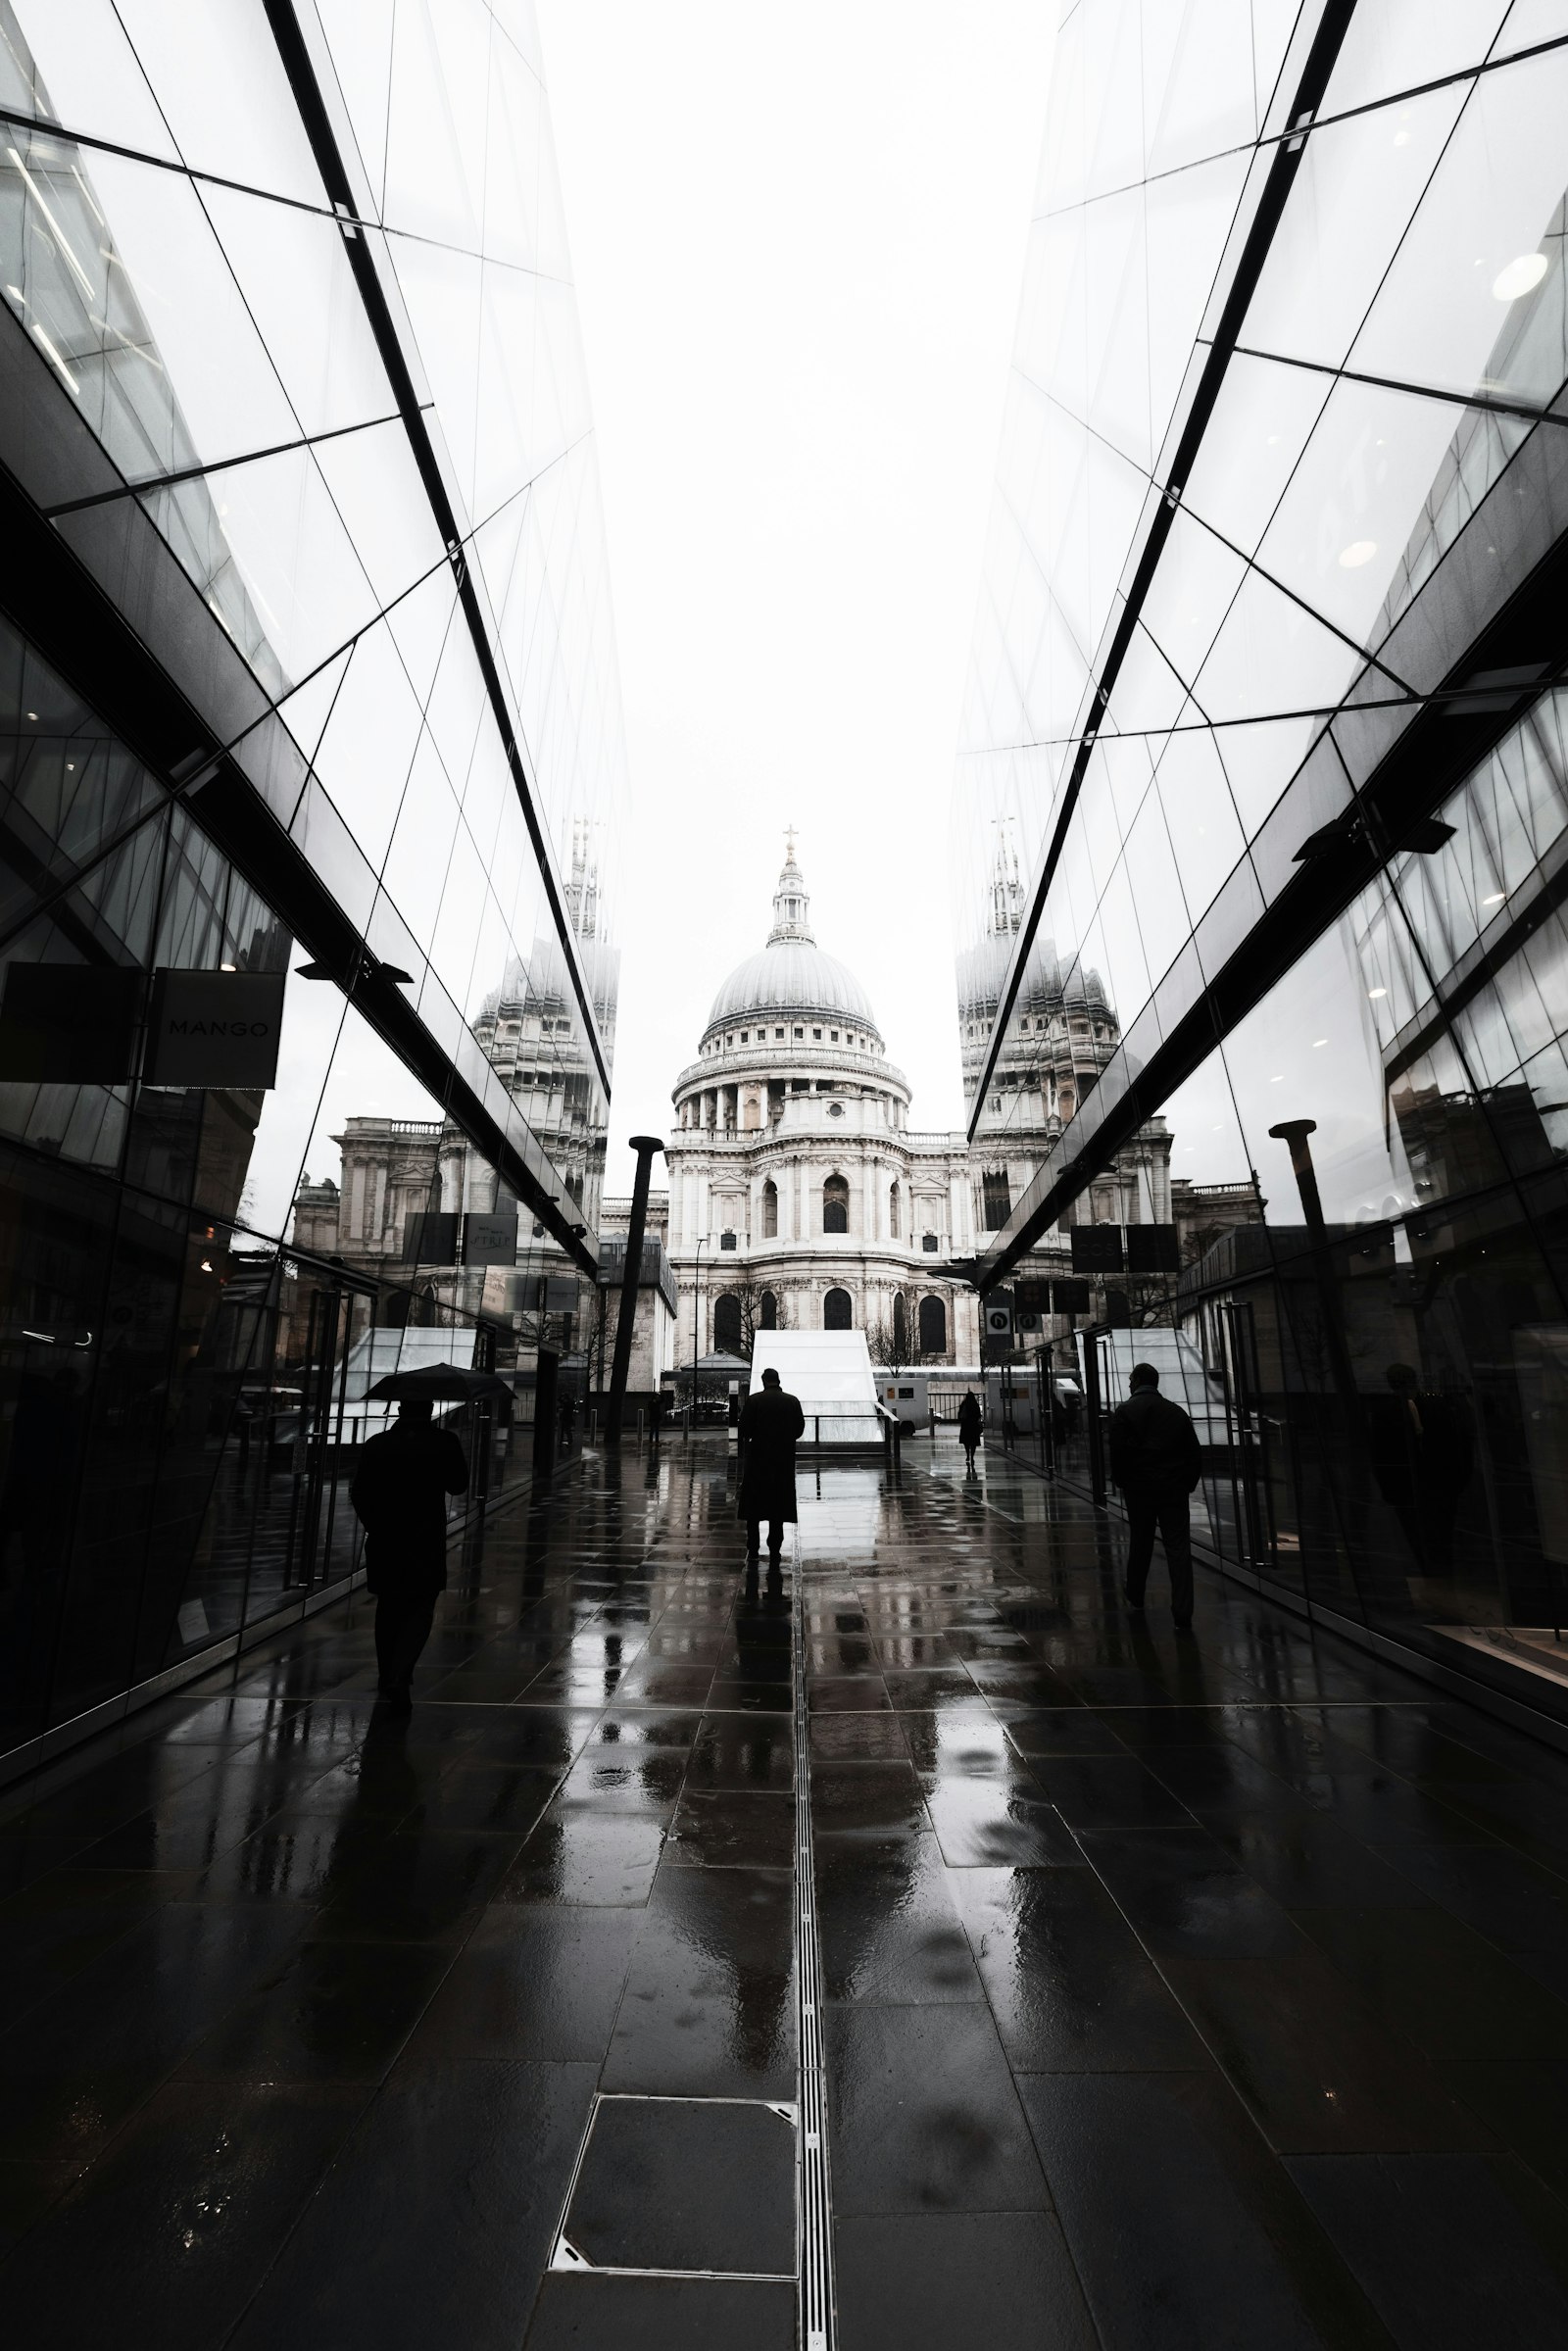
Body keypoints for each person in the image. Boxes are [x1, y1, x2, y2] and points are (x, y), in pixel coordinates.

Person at [350, 1399, 469, 1711]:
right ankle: (400, 1675)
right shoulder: (443, 1442)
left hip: (385, 1537)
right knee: (420, 1605)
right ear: (429, 1411)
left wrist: (375, 1524)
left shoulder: (378, 1443)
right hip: (425, 1537)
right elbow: (459, 1485)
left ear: (401, 1409)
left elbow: (359, 1491)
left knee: (388, 1606)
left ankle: (387, 1671)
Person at [1108, 1361, 1202, 1630]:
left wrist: (1123, 1481)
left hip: (1140, 1490)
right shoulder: (1175, 1412)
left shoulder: (1125, 1411)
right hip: (1173, 1489)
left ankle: (1136, 1594)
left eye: (1130, 1379)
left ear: (1138, 1381)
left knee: (1141, 1541)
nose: (1128, 1384)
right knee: (1178, 1548)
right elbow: (1193, 1453)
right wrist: (1187, 1483)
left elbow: (1118, 1452)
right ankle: (1183, 1611)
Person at [738, 1365, 805, 1567]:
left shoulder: (754, 1401)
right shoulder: (792, 1401)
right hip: (782, 1462)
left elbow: (744, 1430)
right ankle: (775, 1547)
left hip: (758, 1461)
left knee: (754, 1508)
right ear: (778, 1380)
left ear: (764, 1381)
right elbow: (799, 1429)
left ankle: (754, 1547)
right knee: (778, 1506)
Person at [957, 1389, 983, 1474]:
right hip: (973, 1426)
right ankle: (972, 1457)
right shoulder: (975, 1405)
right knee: (973, 1443)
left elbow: (959, 1415)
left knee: (966, 1442)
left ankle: (967, 1455)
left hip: (965, 1426)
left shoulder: (964, 1404)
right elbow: (978, 1415)